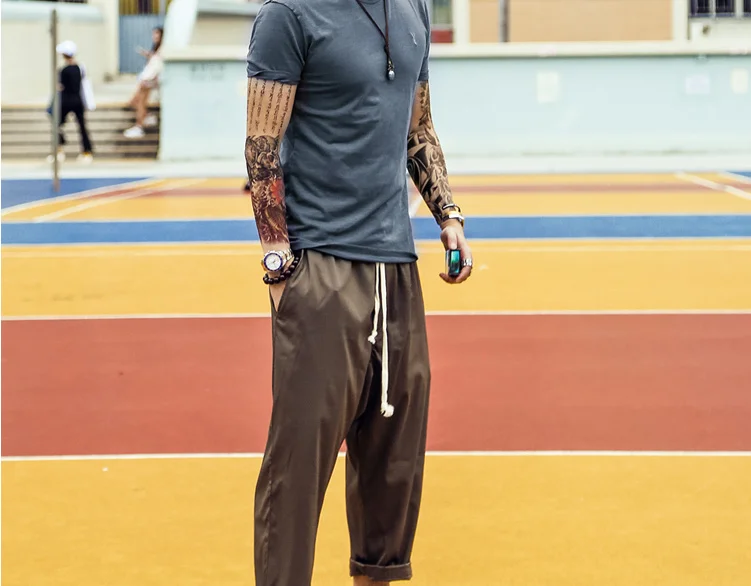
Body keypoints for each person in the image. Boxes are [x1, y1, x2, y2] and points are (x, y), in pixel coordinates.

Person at [244, 0, 472, 584]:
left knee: (394, 466)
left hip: (397, 266)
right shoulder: (289, 15)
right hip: (321, 266)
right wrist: (278, 264)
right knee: (297, 469)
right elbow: (262, 145)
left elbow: (418, 129)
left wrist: (448, 214)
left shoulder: (414, 9)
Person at [48, 40, 94, 163]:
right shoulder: (80, 68)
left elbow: (60, 86)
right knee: (82, 126)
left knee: (57, 124)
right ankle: (87, 151)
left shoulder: (64, 70)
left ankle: (59, 149)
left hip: (66, 101)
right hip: (77, 100)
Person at [123, 26, 163, 138]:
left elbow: (158, 65)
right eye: (153, 34)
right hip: (147, 78)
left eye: (157, 34)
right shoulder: (157, 48)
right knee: (135, 101)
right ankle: (146, 117)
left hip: (150, 79)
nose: (154, 36)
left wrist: (149, 79)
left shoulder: (162, 49)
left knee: (140, 101)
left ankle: (139, 125)